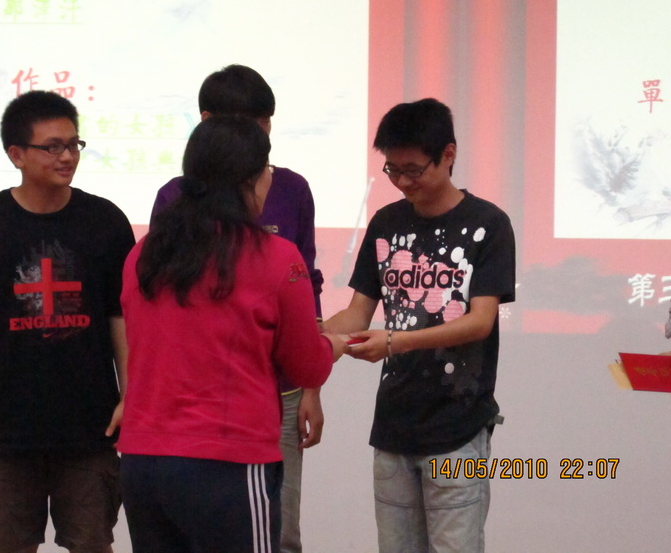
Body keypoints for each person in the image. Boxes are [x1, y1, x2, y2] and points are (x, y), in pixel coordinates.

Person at [119, 115, 346, 553]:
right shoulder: (277, 256)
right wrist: (330, 346)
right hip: (228, 463)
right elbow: (305, 365)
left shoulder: (144, 253)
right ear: (250, 180)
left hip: (143, 463)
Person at [0, 91, 135, 553]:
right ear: (17, 154)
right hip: (4, 429)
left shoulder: (105, 221)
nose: (67, 156)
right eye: (52, 147)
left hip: (90, 427)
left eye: (73, 144)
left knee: (92, 543)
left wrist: (133, 397)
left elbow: (122, 319)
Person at [323, 99, 516, 553]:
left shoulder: (488, 224)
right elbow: (357, 314)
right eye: (392, 170)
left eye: (413, 170)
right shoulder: (386, 223)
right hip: (393, 425)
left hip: (458, 427)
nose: (403, 182)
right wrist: (313, 334)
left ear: (448, 154)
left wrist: (395, 341)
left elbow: (480, 322)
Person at [151, 64, 323, 553]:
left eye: (265, 123)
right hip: (193, 397)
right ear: (207, 123)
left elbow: (308, 284)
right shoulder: (174, 198)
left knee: (279, 530)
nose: (259, 136)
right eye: (247, 124)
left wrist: (311, 389)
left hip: (279, 390)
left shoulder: (291, 189)